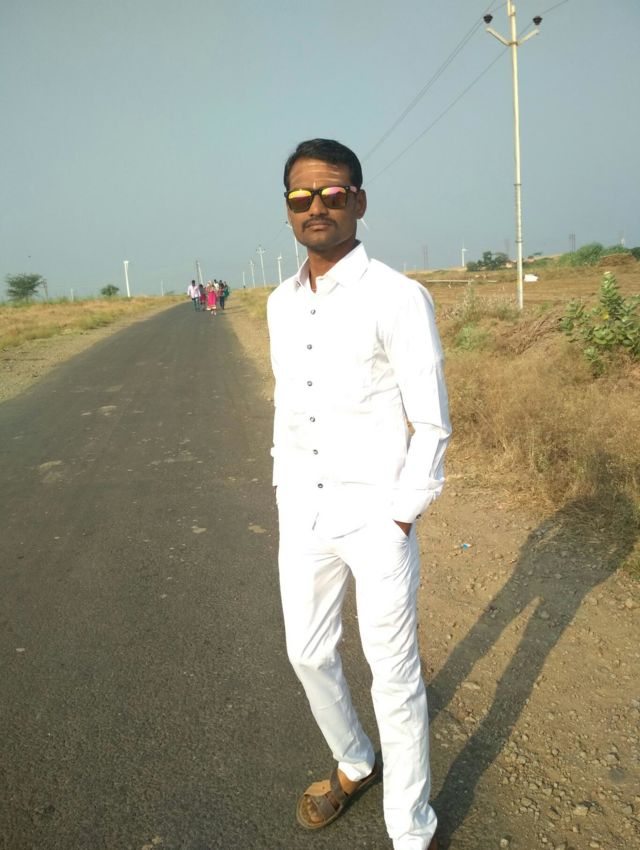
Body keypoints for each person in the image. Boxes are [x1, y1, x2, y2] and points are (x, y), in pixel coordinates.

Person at [267, 139, 450, 850]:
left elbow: (431, 422)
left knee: (393, 677)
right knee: (307, 653)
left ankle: (411, 828)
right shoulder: (281, 304)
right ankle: (354, 759)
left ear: (359, 201)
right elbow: (291, 406)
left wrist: (400, 517)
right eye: (301, 196)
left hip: (376, 516)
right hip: (304, 510)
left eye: (333, 193)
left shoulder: (397, 297)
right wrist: (285, 488)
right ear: (287, 210)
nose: (316, 206)